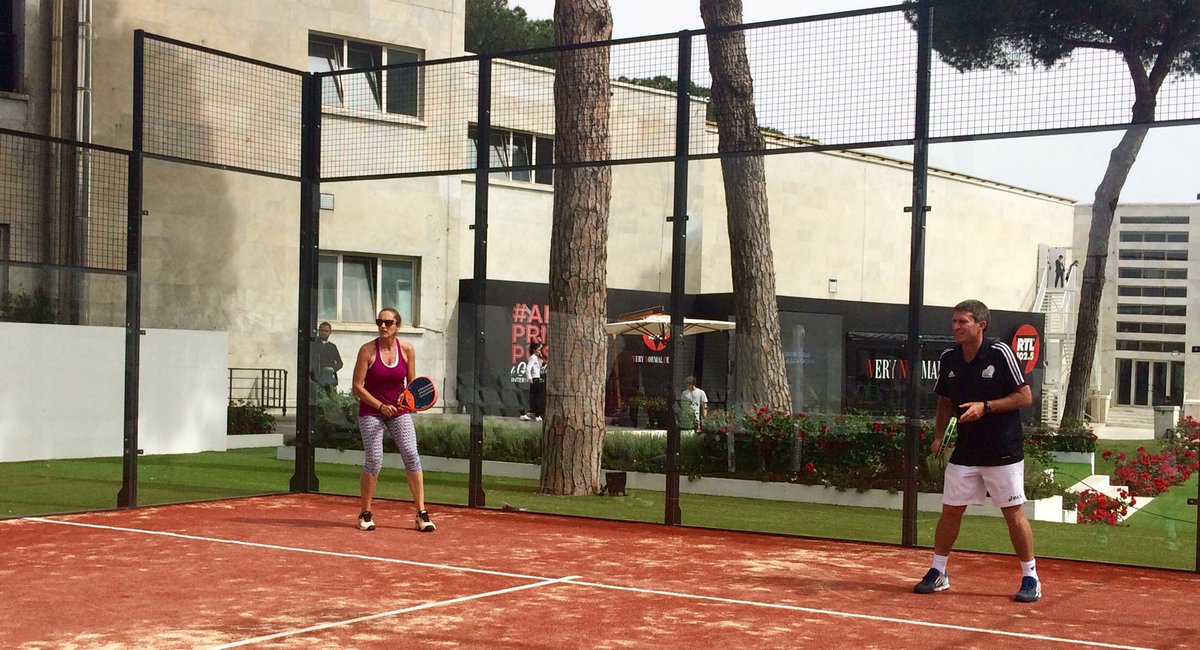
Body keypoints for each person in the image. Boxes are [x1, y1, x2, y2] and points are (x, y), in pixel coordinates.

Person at [913, 299, 1038, 602]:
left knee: (1013, 514)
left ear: (981, 325)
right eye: (954, 321)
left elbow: (1025, 396)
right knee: (950, 512)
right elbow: (944, 401)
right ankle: (938, 571)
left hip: (1002, 450)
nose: (956, 327)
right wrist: (939, 436)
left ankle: (1030, 576)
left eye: (963, 322)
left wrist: (987, 407)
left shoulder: (1001, 353)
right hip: (965, 452)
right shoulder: (948, 358)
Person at [351, 308, 435, 533]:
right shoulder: (367, 350)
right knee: (374, 459)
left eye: (388, 322)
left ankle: (421, 513)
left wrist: (404, 397)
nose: (383, 326)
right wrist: (379, 406)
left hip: (398, 411)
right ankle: (365, 514)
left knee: (411, 453)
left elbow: (412, 384)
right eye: (380, 322)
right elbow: (357, 387)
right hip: (371, 411)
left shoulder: (407, 349)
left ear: (397, 325)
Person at [311, 321, 343, 395]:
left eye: (326, 331)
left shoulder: (332, 347)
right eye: (322, 330)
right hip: (317, 379)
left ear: (330, 332)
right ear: (319, 331)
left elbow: (340, 363)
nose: (324, 333)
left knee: (331, 402)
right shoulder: (313, 345)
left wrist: (332, 369)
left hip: (331, 380)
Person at [520, 341, 546, 422]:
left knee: (538, 397)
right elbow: (528, 368)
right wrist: (529, 377)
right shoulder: (533, 357)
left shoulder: (537, 358)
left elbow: (540, 367)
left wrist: (540, 357)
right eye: (538, 350)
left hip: (538, 379)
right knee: (535, 397)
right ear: (534, 350)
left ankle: (536, 413)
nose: (539, 351)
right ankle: (534, 413)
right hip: (534, 379)